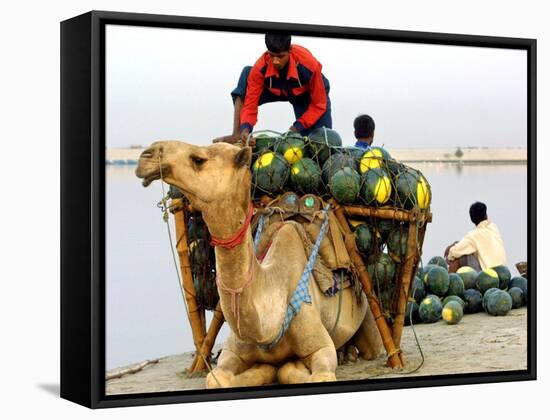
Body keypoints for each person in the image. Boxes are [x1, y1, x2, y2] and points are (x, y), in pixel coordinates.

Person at [213, 33, 332, 145]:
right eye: (271, 55)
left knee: (319, 142)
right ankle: (238, 134)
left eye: (280, 56)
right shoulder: (260, 68)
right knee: (246, 73)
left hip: (305, 94)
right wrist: (245, 128)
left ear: (289, 50)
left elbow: (319, 104)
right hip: (275, 89)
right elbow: (250, 105)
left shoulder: (309, 66)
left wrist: (296, 127)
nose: (275, 61)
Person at [444, 202, 507, 272]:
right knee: (464, 249)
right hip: (502, 273)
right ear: (486, 215)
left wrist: (448, 254)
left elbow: (453, 252)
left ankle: (449, 280)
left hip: (485, 276)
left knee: (459, 255)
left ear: (472, 219)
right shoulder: (493, 227)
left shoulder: (473, 236)